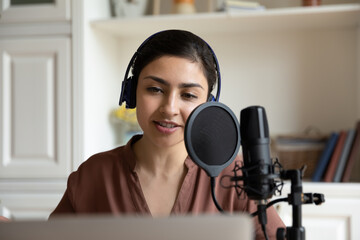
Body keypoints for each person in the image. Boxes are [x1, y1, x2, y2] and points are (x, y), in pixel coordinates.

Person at [49, 29, 285, 239]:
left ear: (208, 107)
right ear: (131, 93)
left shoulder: (239, 176)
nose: (169, 108)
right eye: (155, 89)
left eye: (189, 95)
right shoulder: (93, 175)